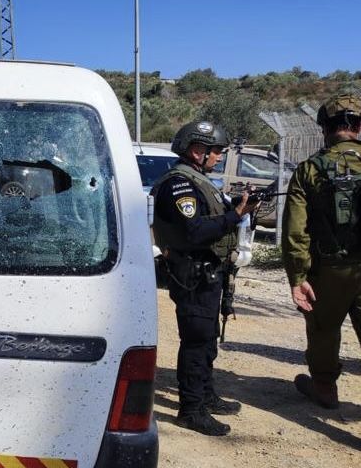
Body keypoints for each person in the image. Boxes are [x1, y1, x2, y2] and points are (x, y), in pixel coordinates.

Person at [151, 121, 259, 436]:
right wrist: (235, 215)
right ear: (197, 150)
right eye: (216, 151)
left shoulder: (199, 180)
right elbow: (195, 231)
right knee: (196, 341)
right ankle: (191, 409)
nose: (219, 157)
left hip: (208, 273)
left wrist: (241, 207)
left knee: (208, 338)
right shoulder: (179, 184)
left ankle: (206, 395)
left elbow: (213, 217)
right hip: (193, 274)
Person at [281, 93, 361, 410]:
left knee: (323, 330)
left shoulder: (309, 170)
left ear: (325, 128)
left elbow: (295, 230)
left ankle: (325, 388)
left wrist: (297, 276)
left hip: (328, 270)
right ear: (358, 126)